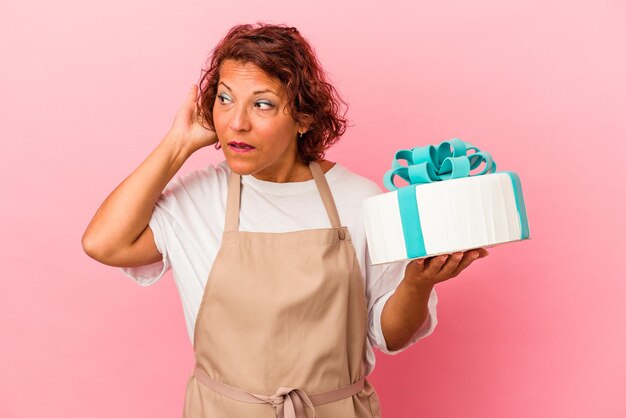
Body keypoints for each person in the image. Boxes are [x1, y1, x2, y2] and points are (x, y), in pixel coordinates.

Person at [82, 22, 488, 418]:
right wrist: (179, 143)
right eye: (225, 99)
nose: (237, 122)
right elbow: (104, 244)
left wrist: (418, 284)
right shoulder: (198, 199)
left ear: (303, 118)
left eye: (262, 104)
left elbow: (390, 335)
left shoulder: (359, 200)